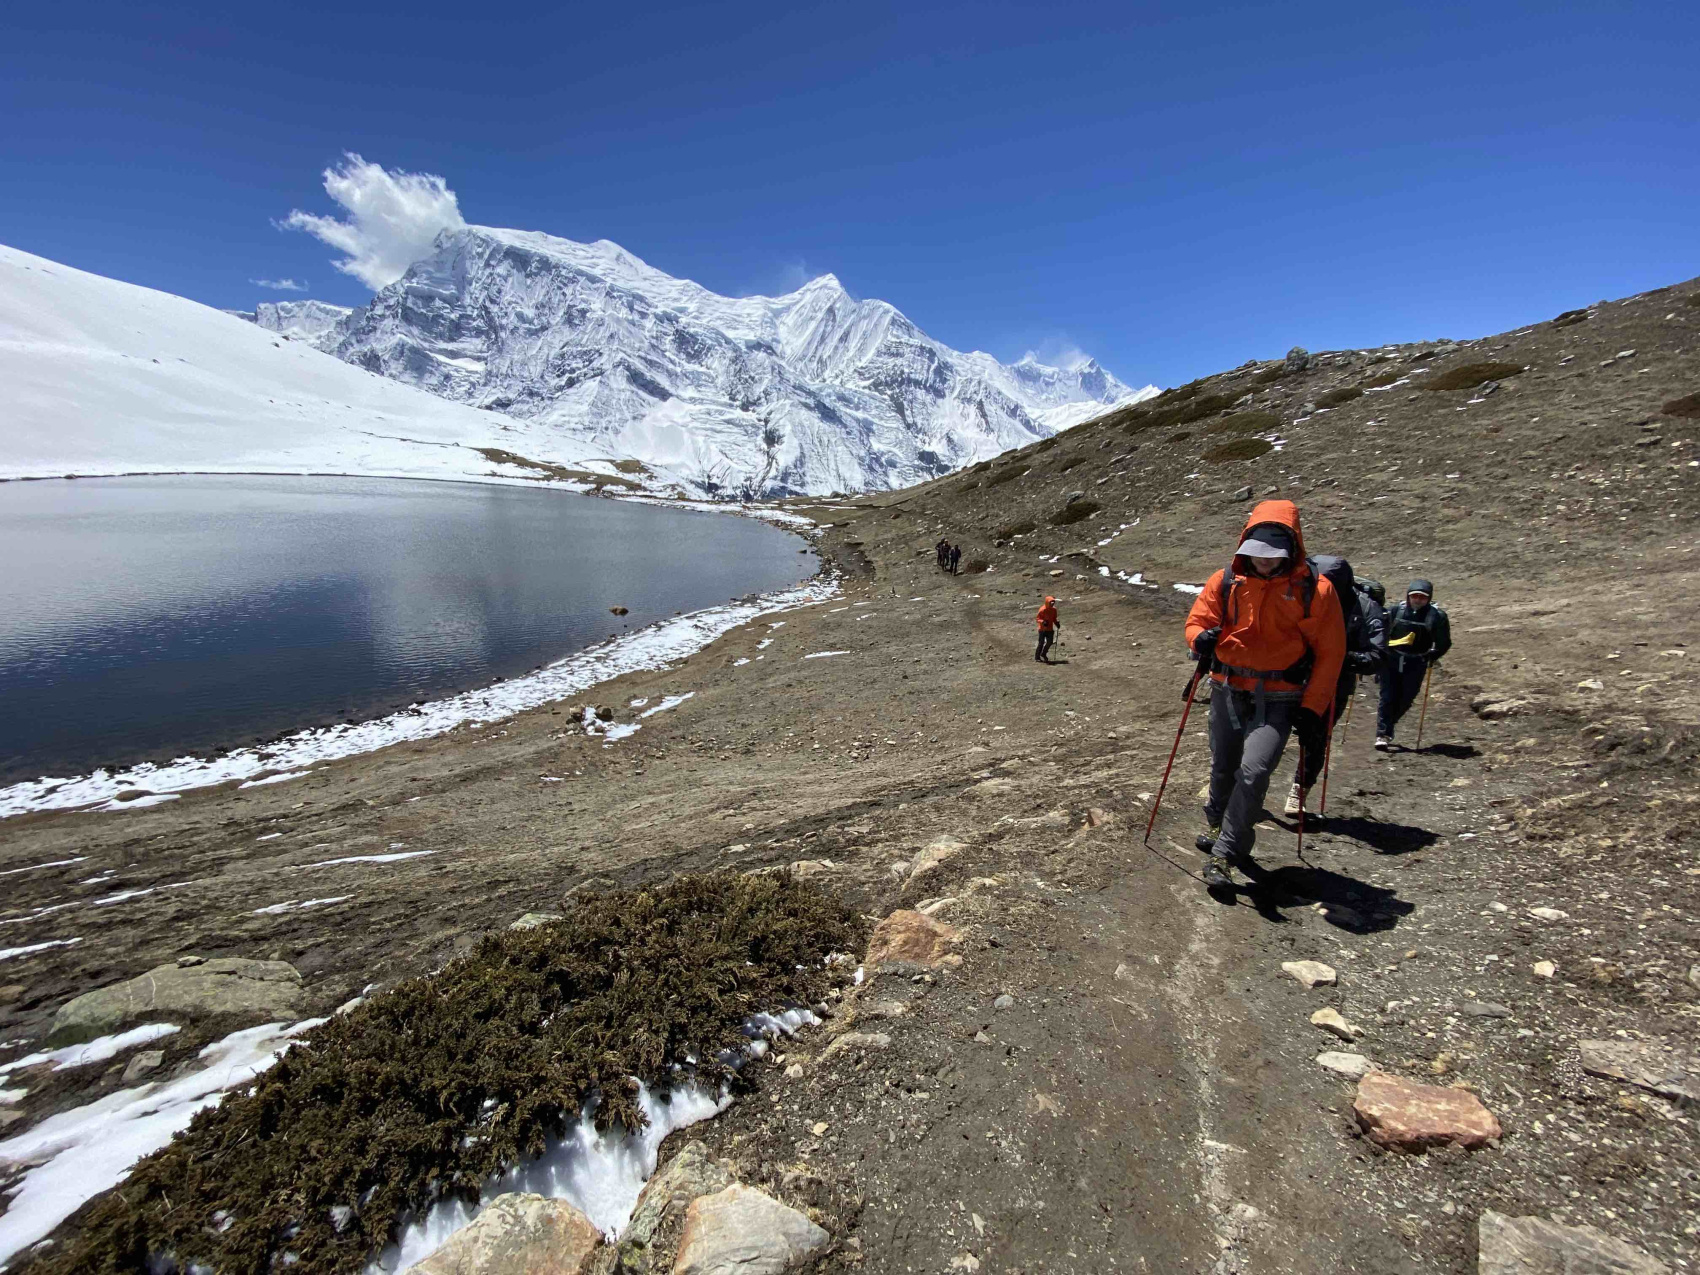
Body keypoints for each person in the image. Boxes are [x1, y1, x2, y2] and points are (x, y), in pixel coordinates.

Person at [1184, 500, 1345, 871]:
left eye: (1273, 554)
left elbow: (1330, 654)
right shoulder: (1226, 582)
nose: (1265, 560)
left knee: (1254, 771)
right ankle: (1216, 821)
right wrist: (1199, 639)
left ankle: (1226, 852)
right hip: (1226, 688)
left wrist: (1312, 709)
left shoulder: (1316, 591)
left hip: (1280, 697)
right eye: (1258, 553)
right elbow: (1197, 621)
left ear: (1292, 547)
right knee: (1223, 766)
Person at [1285, 556, 1386, 818]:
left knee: (1315, 738)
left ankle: (1299, 790)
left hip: (1333, 682)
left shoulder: (1365, 608)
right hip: (1289, 674)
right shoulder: (1301, 594)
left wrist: (1339, 657)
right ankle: (1252, 788)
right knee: (1270, 729)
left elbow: (1376, 656)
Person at [1375, 578, 1451, 749]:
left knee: (1406, 698)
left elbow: (1444, 642)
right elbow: (1381, 632)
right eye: (1414, 596)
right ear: (1408, 596)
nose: (1417, 600)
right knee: (1387, 696)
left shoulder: (1437, 617)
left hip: (1417, 662)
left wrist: (1434, 655)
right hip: (1392, 659)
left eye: (1422, 597)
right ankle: (1383, 733)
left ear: (1429, 598)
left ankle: (1389, 725)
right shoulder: (1395, 611)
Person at [1035, 595, 1060, 662]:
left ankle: (1043, 653)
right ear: (1047, 602)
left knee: (1050, 642)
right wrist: (1042, 622)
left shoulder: (1054, 610)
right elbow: (1037, 619)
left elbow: (1054, 618)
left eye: (1053, 602)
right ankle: (1037, 657)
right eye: (1051, 602)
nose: (1052, 604)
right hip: (1042, 629)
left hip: (1050, 629)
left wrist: (1056, 623)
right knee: (1041, 643)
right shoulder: (1042, 610)